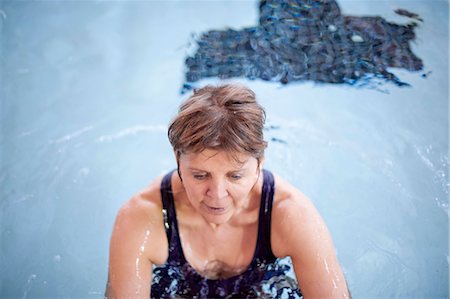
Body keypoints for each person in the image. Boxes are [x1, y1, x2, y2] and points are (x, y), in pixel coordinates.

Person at [105, 84, 350, 298]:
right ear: (177, 160)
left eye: (235, 176)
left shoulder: (292, 215)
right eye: (200, 175)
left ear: (259, 163)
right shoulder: (141, 218)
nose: (218, 194)